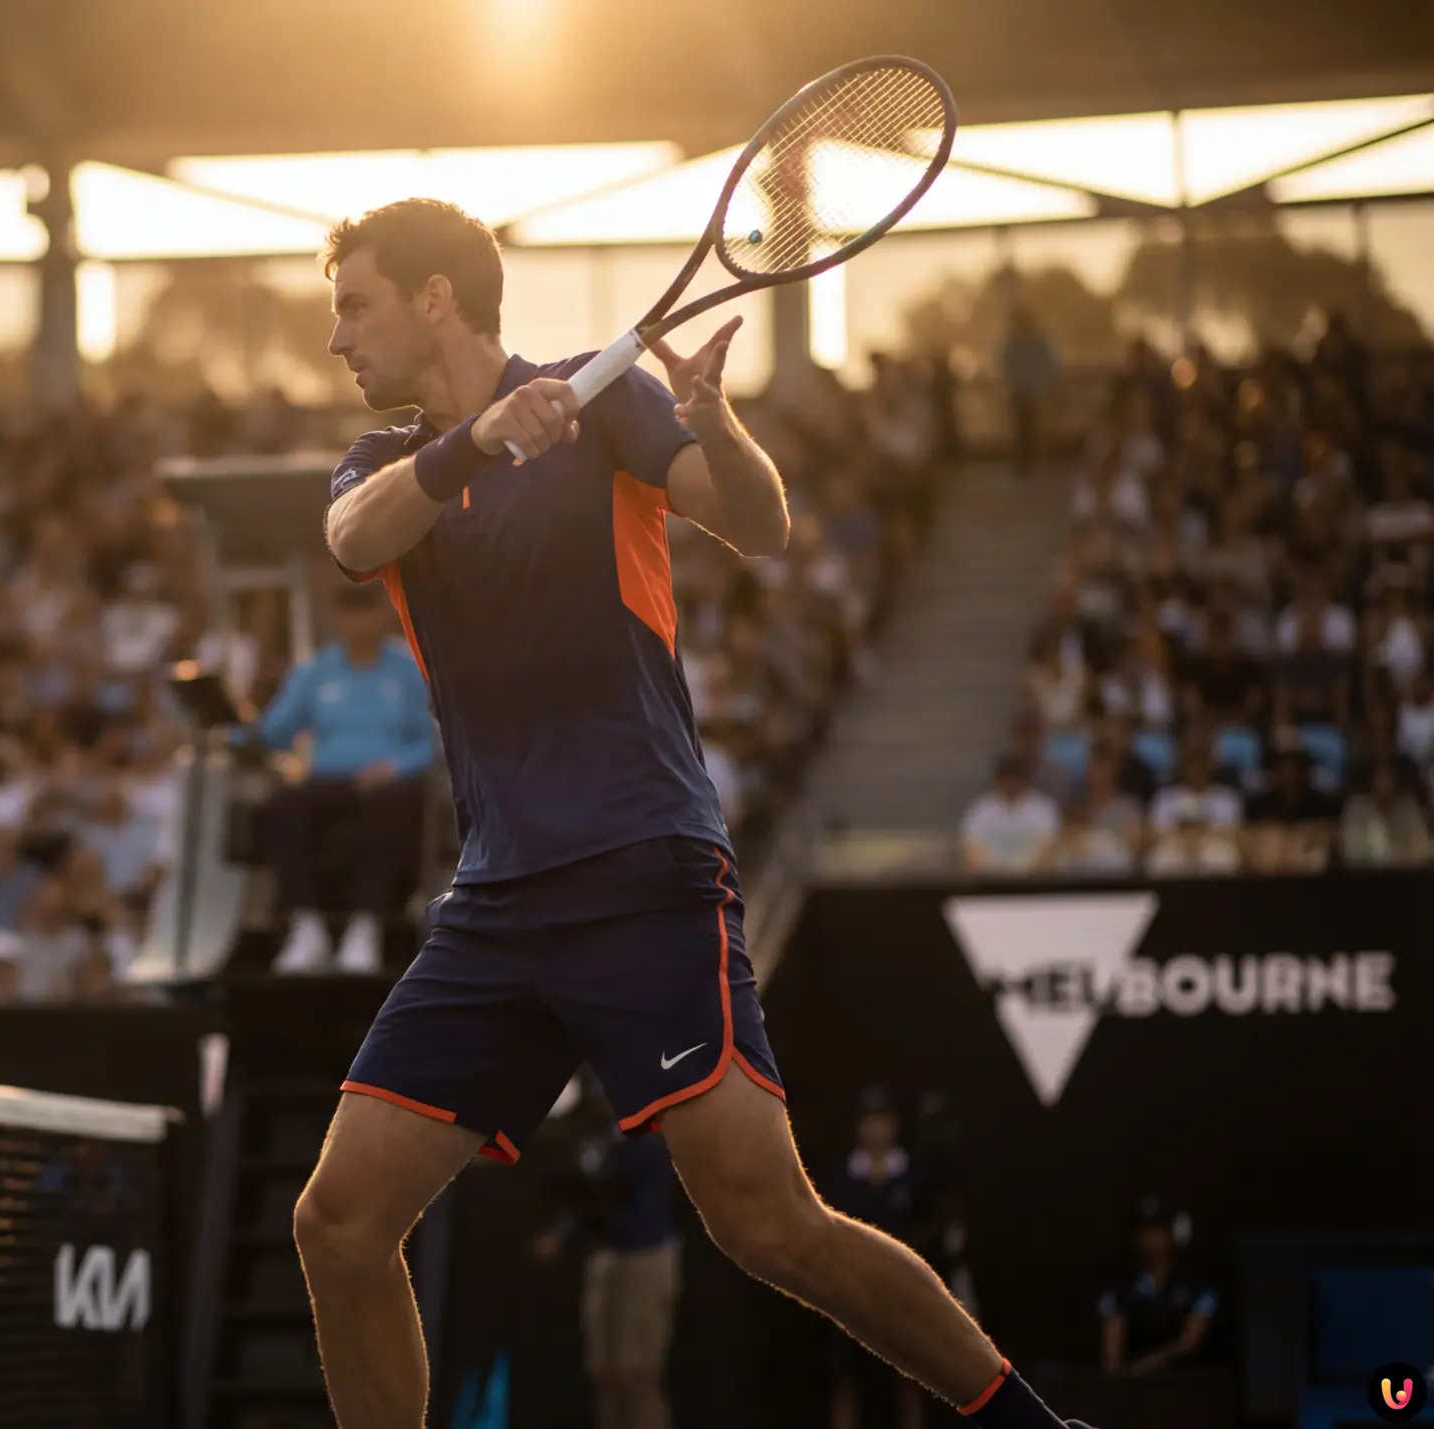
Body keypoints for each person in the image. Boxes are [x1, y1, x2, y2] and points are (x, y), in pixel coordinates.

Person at [291, 198, 1087, 1429]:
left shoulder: (600, 401)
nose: (338, 337)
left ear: (436, 296)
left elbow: (755, 521)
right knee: (336, 1223)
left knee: (770, 1225)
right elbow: (352, 538)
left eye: (355, 305)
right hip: (497, 904)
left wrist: (717, 419)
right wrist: (479, 440)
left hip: (639, 870)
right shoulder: (381, 469)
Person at [258, 582, 435, 975]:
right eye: (350, 611)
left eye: (366, 609)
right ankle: (306, 927)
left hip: (387, 782)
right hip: (327, 781)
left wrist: (395, 767)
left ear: (382, 614)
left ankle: (366, 927)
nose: (358, 621)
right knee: (284, 803)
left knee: (389, 804)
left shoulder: (406, 672)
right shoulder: (317, 672)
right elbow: (274, 731)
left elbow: (431, 741)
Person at [532, 1076, 681, 1429]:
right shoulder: (601, 1145)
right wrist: (562, 1236)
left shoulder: (647, 1144)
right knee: (605, 1373)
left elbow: (618, 1197)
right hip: (609, 1257)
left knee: (637, 1374)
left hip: (644, 1257)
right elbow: (591, 1202)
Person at [824, 1089, 929, 1429]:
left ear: (894, 1125)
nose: (875, 1129)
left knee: (910, 1381)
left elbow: (929, 1231)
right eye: (869, 1121)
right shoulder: (843, 1180)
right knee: (848, 1382)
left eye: (882, 1120)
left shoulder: (914, 1177)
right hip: (854, 1294)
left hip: (904, 1295)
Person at [1097, 1197, 1215, 1377]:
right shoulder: (1118, 1292)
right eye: (1144, 1231)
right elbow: (1111, 1356)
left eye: (1158, 1230)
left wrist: (1152, 1363)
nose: (1150, 1238)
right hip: (1135, 1388)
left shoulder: (1197, 1287)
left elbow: (1191, 1342)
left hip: (1189, 1385)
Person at [958, 757, 1062, 874]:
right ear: (998, 780)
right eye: (1006, 779)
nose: (1011, 784)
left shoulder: (1043, 807)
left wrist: (1024, 868)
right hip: (990, 880)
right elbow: (971, 849)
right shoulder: (980, 809)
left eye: (1015, 779)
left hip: (1033, 879)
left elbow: (1049, 847)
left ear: (1024, 780)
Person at [999, 303, 1059, 477]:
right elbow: (1004, 369)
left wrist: (1044, 389)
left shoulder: (1041, 342)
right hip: (1018, 393)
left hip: (1038, 393)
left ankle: (1037, 461)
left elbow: (1050, 367)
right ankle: (1022, 462)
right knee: (1020, 428)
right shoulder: (1009, 343)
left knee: (1037, 428)